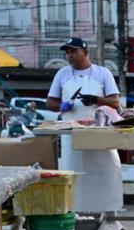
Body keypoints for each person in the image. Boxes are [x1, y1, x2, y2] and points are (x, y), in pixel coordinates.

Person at [45, 37, 123, 213]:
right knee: (74, 173)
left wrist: (96, 99)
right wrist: (62, 106)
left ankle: (110, 216)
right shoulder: (62, 74)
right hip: (71, 132)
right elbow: (50, 102)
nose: (69, 55)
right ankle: (75, 215)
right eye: (67, 52)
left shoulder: (103, 73)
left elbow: (115, 101)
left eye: (73, 51)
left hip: (100, 131)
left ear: (85, 52)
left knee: (105, 173)